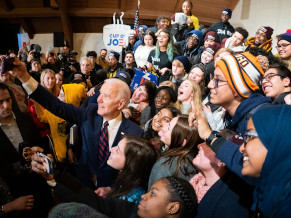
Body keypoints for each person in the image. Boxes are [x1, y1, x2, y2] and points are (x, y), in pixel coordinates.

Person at [9, 59, 143, 189]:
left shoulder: (135, 133)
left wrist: (112, 189)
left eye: (106, 96)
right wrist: (23, 76)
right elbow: (55, 105)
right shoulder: (89, 114)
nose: (99, 99)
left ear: (121, 104)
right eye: (100, 93)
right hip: (83, 188)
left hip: (110, 200)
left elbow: (133, 175)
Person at [191, 104, 291, 217]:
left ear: (278, 142)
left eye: (250, 137)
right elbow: (235, 158)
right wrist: (209, 136)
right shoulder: (270, 184)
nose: (241, 148)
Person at [31, 151, 198, 218]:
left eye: (153, 193)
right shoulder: (133, 211)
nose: (143, 195)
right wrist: (54, 177)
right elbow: (94, 201)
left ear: (173, 207)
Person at [0, 82, 53, 218]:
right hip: (15, 197)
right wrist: (9, 206)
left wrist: (42, 155)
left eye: (8, 100)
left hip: (39, 188)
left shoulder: (25, 118)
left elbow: (40, 146)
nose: (6, 105)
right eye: (0, 102)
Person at [207, 52, 271, 135]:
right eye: (213, 78)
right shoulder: (231, 115)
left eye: (218, 80)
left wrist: (209, 136)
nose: (209, 85)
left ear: (238, 89)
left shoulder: (258, 121)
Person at [191, 142, 251, 217]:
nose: (199, 145)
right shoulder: (195, 182)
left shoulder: (227, 205)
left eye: (209, 145)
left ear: (222, 160)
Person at [94, 135, 158, 204]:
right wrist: (111, 191)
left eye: (117, 150)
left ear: (131, 163)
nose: (111, 149)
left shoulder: (131, 198)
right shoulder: (128, 180)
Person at [148, 114, 200, 189]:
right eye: (168, 124)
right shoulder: (195, 162)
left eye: (169, 127)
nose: (164, 127)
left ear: (182, 141)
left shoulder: (164, 166)